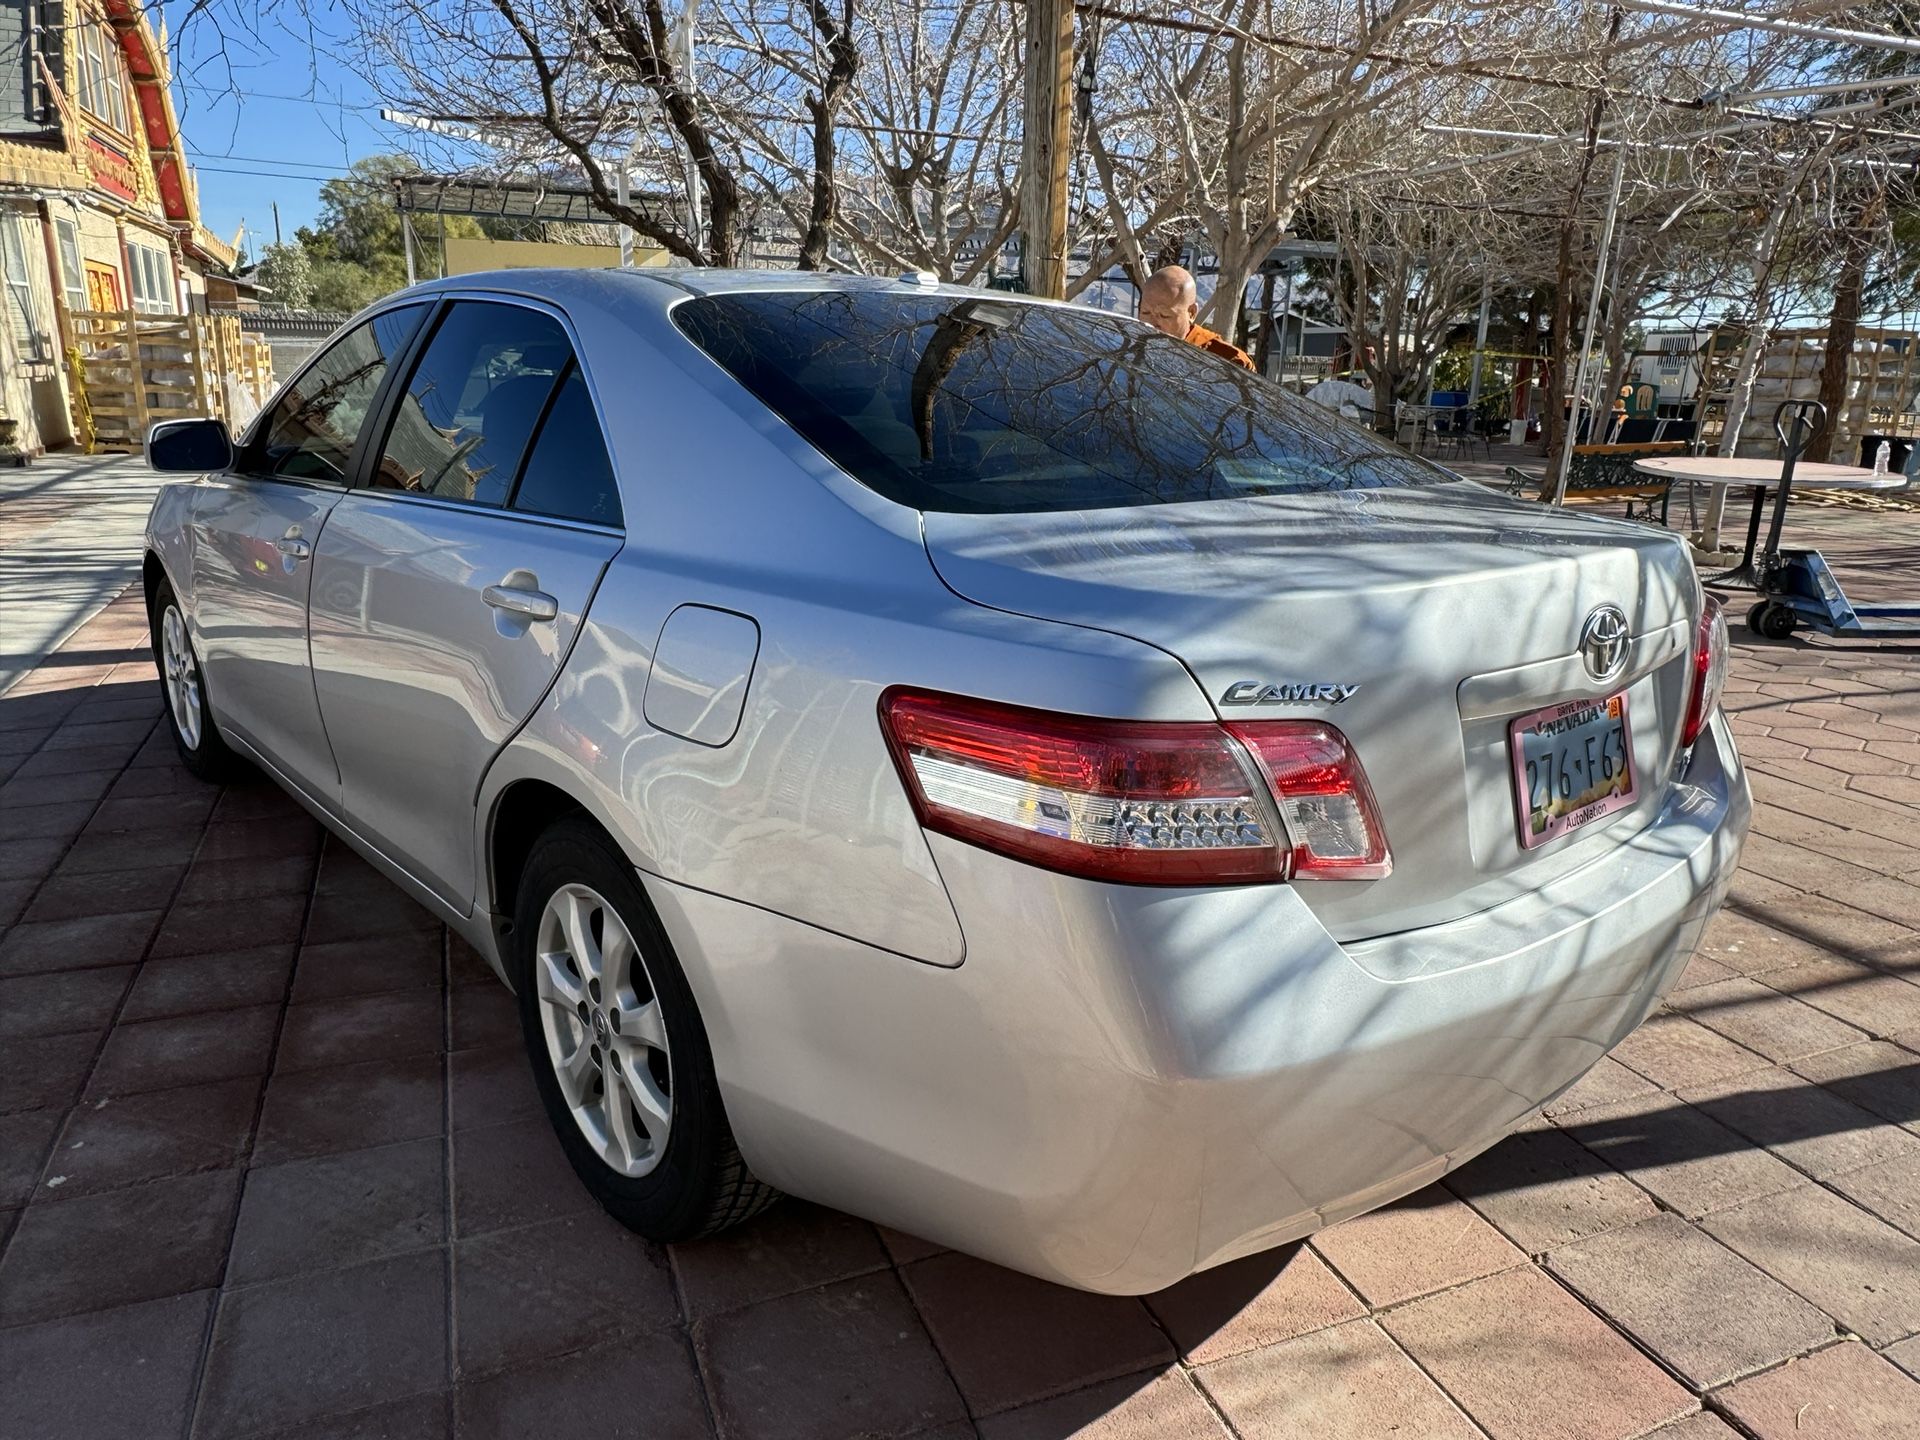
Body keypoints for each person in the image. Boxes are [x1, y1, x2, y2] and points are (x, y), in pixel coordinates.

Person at [1138, 265, 1257, 371]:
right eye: (1145, 312)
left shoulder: (1230, 362)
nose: (1151, 324)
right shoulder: (1129, 351)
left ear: (1191, 313)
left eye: (1164, 315)